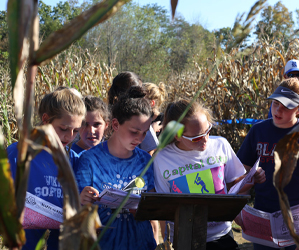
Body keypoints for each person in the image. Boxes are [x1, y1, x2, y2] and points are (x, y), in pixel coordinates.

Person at [153, 99, 266, 250]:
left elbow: (234, 183)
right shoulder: (162, 158)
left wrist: (251, 178)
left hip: (221, 235)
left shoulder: (221, 145)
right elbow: (163, 206)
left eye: (208, 131)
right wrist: (167, 239)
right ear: (177, 135)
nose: (205, 140)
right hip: (184, 238)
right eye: (197, 138)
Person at [75, 86, 157, 249]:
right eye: (134, 131)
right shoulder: (89, 160)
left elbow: (154, 209)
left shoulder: (146, 161)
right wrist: (81, 199)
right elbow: (75, 211)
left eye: (144, 133)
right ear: (115, 124)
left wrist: (144, 209)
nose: (139, 139)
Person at [7, 87, 86, 250]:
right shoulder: (18, 153)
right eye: (63, 129)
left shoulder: (75, 159)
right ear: (45, 119)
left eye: (76, 131)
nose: (70, 136)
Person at [236, 78, 299, 250]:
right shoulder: (258, 131)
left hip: (298, 219)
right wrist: (238, 209)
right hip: (263, 216)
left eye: (287, 106)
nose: (278, 109)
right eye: (275, 103)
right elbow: (241, 175)